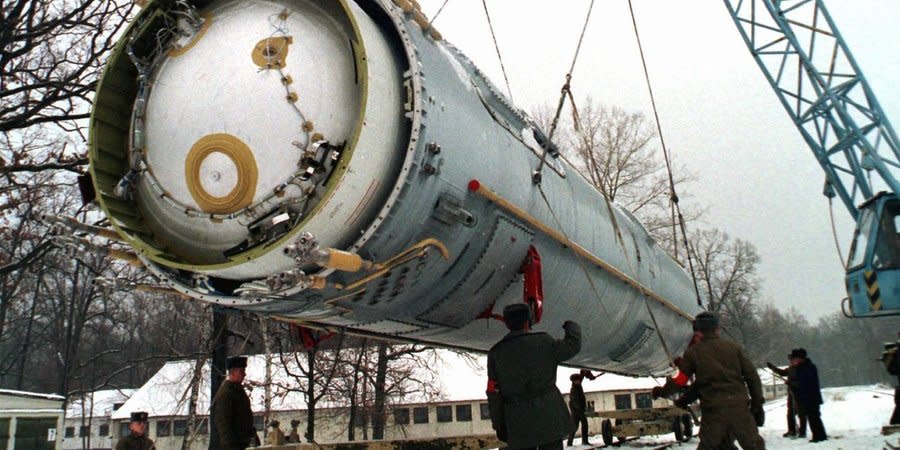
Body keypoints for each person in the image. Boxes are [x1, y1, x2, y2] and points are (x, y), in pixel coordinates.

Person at [652, 312, 766, 450]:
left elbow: (681, 380)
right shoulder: (734, 348)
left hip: (714, 412)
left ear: (697, 332)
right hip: (739, 409)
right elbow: (752, 377)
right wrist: (757, 405)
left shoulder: (694, 352)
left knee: (710, 446)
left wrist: (663, 392)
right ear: (717, 329)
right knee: (752, 446)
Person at [486, 303, 581, 450]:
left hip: (518, 422)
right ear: (527, 322)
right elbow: (572, 346)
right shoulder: (544, 341)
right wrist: (571, 327)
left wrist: (498, 424)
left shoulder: (496, 353)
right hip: (550, 417)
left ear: (507, 323)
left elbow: (493, 393)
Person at [212, 356, 256, 450]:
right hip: (233, 446)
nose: (244, 374)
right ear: (233, 372)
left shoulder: (238, 391)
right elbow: (223, 424)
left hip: (244, 444)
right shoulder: (226, 394)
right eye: (241, 371)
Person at [791, 348, 827, 442]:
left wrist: (794, 385)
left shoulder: (806, 368)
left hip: (810, 398)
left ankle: (818, 436)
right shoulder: (806, 367)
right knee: (814, 417)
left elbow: (806, 384)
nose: (793, 361)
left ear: (800, 358)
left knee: (813, 418)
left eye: (795, 358)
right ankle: (820, 435)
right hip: (809, 397)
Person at [766, 352, 806, 438]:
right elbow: (782, 373)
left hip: (799, 394)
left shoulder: (802, 369)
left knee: (801, 413)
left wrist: (791, 383)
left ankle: (802, 432)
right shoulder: (791, 368)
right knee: (790, 412)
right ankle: (792, 431)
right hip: (791, 393)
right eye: (790, 360)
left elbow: (802, 382)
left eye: (792, 360)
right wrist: (772, 367)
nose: (790, 361)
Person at [566, 370, 598, 447]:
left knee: (579, 425)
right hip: (576, 410)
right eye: (577, 381)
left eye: (579, 380)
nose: (579, 381)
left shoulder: (578, 384)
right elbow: (576, 403)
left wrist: (590, 376)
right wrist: (583, 410)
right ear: (574, 382)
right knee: (577, 426)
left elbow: (583, 371)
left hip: (579, 409)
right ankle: (573, 442)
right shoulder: (574, 390)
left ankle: (581, 441)